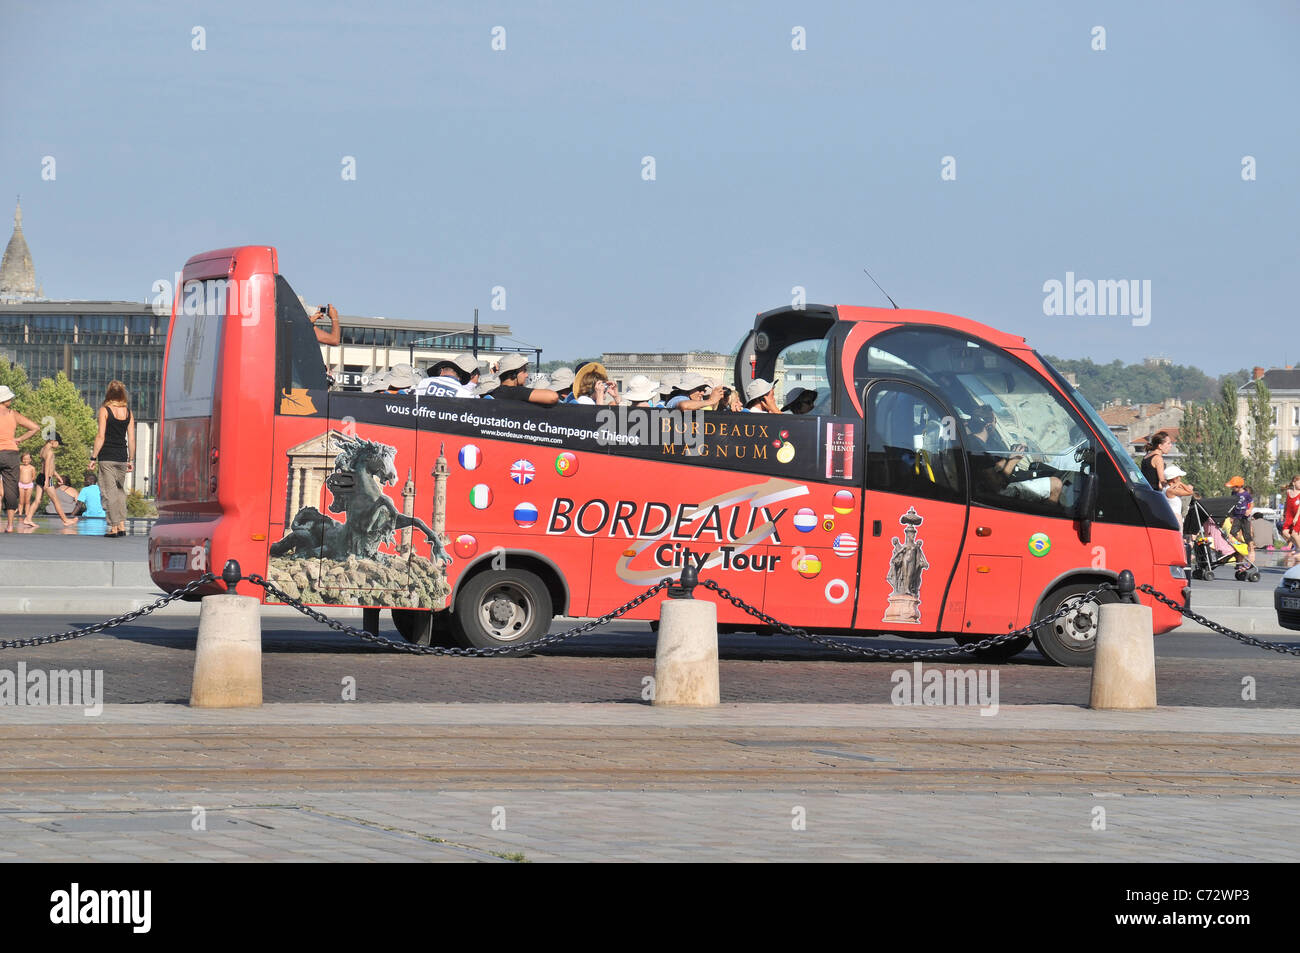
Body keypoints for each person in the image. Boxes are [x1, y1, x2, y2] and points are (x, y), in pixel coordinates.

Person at [967, 406, 1063, 505]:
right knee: (1056, 484)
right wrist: (1013, 461)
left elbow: (989, 469)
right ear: (988, 426)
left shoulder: (972, 442)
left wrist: (1008, 457)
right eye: (995, 421)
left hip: (981, 491)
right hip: (992, 497)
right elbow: (996, 486)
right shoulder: (979, 449)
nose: (995, 424)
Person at [90, 380, 134, 537]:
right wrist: (131, 459)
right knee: (120, 492)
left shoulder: (104, 410)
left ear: (108, 393)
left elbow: (101, 436)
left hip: (107, 456)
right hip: (122, 457)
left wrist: (93, 457)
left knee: (109, 493)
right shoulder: (128, 412)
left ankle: (114, 527)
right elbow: (132, 438)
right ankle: (122, 525)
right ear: (123, 394)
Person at [0, 384, 40, 532]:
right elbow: (35, 427)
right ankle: (10, 525)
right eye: (9, 398)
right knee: (10, 489)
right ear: (4, 400)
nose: (11, 399)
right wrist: (20, 439)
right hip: (10, 453)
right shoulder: (13, 414)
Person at [28, 433, 77, 526]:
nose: (58, 446)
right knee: (55, 500)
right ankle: (65, 520)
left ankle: (28, 518)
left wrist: (57, 476)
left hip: (40, 476)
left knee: (38, 500)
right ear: (53, 441)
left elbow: (49, 467)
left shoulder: (43, 450)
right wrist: (47, 480)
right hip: (46, 478)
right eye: (58, 443)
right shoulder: (50, 452)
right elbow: (47, 466)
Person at [493, 354, 559, 405]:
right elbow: (553, 397)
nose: (527, 375)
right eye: (524, 371)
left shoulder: (495, 391)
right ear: (514, 374)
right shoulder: (515, 392)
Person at [1224, 476, 1254, 564]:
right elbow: (1232, 505)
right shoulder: (1233, 493)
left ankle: (1251, 549)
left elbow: (1251, 503)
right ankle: (1240, 545)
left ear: (1239, 486)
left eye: (1233, 487)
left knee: (1247, 534)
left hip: (1244, 517)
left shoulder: (1246, 494)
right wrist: (1231, 516)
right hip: (1236, 517)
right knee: (1232, 533)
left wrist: (1249, 510)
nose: (1232, 489)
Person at [15, 452, 36, 530]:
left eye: (27, 459)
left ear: (30, 460)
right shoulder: (20, 467)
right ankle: (20, 513)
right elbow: (17, 475)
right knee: (21, 500)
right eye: (24, 459)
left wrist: (29, 480)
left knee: (27, 501)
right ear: (22, 460)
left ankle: (27, 514)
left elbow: (33, 476)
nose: (26, 460)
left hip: (29, 485)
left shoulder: (32, 468)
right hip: (21, 484)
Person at [1279, 474, 1300, 552]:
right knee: (1284, 532)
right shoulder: (1288, 492)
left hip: (1298, 515)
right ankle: (1297, 546)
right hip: (1289, 515)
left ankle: (1298, 548)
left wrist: (1297, 517)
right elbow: (1286, 503)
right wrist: (1283, 514)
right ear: (1294, 483)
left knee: (1294, 533)